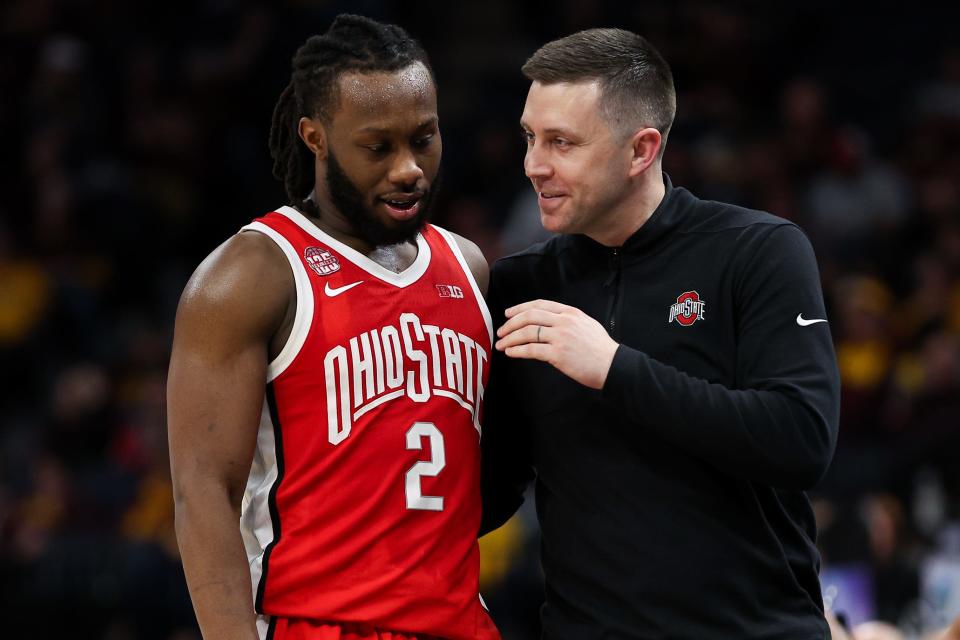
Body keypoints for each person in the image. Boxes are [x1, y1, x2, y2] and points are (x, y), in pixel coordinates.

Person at [480, 28, 841, 639]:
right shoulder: (519, 285)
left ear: (641, 150)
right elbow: (493, 485)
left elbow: (801, 439)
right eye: (530, 137)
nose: (534, 165)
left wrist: (614, 368)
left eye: (562, 142)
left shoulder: (760, 251)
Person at [167, 15, 499, 640]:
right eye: (378, 147)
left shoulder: (469, 267)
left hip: (458, 623)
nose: (408, 169)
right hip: (318, 624)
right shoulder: (252, 274)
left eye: (424, 139)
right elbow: (202, 490)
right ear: (315, 137)